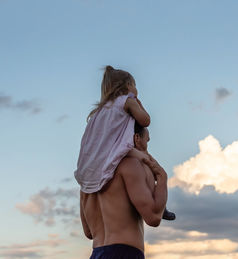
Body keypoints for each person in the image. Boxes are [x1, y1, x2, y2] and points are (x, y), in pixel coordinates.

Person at [74, 65, 175, 220]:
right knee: (148, 160)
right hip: (119, 149)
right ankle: (160, 202)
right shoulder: (127, 101)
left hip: (102, 155)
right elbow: (145, 120)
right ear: (128, 86)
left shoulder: (99, 112)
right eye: (135, 85)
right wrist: (138, 103)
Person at [80, 135, 168, 258]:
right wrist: (162, 178)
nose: (148, 143)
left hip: (97, 253)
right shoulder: (129, 165)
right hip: (124, 252)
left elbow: (89, 232)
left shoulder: (88, 178)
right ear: (136, 138)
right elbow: (153, 217)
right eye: (146, 139)